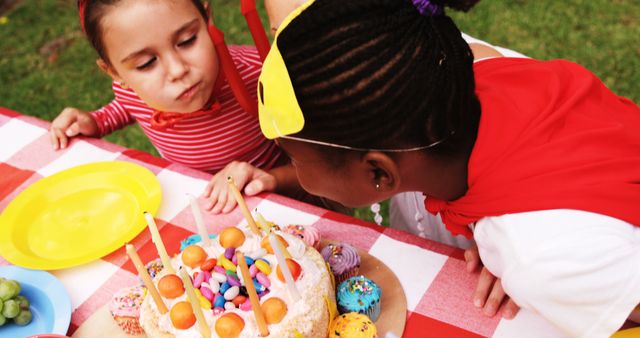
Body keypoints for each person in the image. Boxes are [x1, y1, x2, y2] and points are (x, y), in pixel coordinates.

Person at [254, 0, 640, 336]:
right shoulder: (472, 70)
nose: (294, 170)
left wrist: (537, 268)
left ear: (378, 174)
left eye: (295, 160)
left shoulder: (541, 258)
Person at [48, 0, 302, 213]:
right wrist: (96, 122)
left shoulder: (260, 76)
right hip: (200, 212)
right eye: (147, 63)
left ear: (207, 17)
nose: (178, 70)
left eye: (187, 40)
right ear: (116, 73)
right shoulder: (133, 91)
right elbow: (126, 106)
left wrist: (271, 178)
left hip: (283, 208)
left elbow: (324, 162)